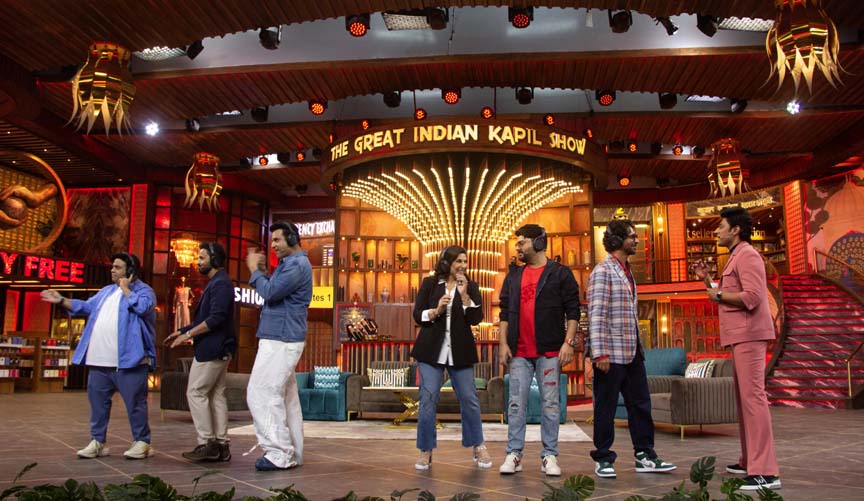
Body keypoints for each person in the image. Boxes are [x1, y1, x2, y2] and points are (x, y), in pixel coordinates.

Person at [690, 206, 781, 491]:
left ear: (736, 229)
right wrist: (707, 280)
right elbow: (727, 292)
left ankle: (765, 471)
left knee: (753, 399)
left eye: (721, 226)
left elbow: (752, 297)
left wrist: (717, 293)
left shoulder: (748, 255)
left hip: (750, 335)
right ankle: (749, 460)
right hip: (741, 336)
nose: (716, 231)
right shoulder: (736, 256)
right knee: (744, 401)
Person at [40, 252, 156, 460]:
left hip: (129, 361)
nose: (112, 270)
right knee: (98, 404)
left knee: (135, 403)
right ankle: (98, 441)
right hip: (99, 360)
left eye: (117, 267)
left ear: (130, 271)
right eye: (112, 267)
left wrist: (126, 289)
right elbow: (86, 307)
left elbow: (143, 308)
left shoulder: (144, 291)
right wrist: (62, 300)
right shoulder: (106, 292)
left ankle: (142, 442)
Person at [587, 219, 676, 479]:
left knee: (640, 405)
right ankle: (603, 458)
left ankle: (644, 454)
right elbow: (596, 314)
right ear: (617, 240)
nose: (636, 240)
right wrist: (599, 353)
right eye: (631, 236)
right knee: (605, 407)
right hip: (610, 354)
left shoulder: (627, 271)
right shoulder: (603, 271)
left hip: (633, 352)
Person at [498, 224, 581, 477]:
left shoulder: (560, 273)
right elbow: (504, 313)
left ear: (538, 242)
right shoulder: (513, 276)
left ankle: (549, 455)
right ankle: (514, 454)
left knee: (550, 404)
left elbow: (573, 311)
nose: (517, 247)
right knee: (515, 404)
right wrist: (503, 344)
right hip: (519, 352)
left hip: (550, 351)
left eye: (522, 242)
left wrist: (568, 343)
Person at [410, 245, 491, 471]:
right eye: (458, 262)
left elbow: (476, 318)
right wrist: (435, 311)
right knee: (428, 400)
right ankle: (425, 449)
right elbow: (417, 314)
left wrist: (464, 297)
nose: (463, 266)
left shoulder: (471, 286)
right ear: (447, 263)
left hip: (460, 351)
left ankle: (478, 445)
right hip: (430, 352)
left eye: (465, 261)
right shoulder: (430, 284)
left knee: (469, 399)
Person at [245, 221, 312, 471]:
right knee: (285, 397)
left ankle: (279, 453)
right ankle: (292, 451)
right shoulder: (290, 264)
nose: (272, 245)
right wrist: (262, 273)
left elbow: (270, 293)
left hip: (281, 340)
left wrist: (255, 270)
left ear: (292, 239)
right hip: (282, 338)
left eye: (277, 240)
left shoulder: (296, 265)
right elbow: (274, 290)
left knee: (261, 392)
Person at [164, 242, 236, 462]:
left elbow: (216, 318)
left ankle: (207, 443)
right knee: (215, 395)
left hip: (213, 347)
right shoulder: (218, 282)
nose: (198, 262)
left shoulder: (221, 283)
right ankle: (221, 446)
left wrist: (188, 334)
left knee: (195, 392)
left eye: (202, 258)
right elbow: (205, 318)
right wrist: (181, 330)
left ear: (214, 260)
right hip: (218, 347)